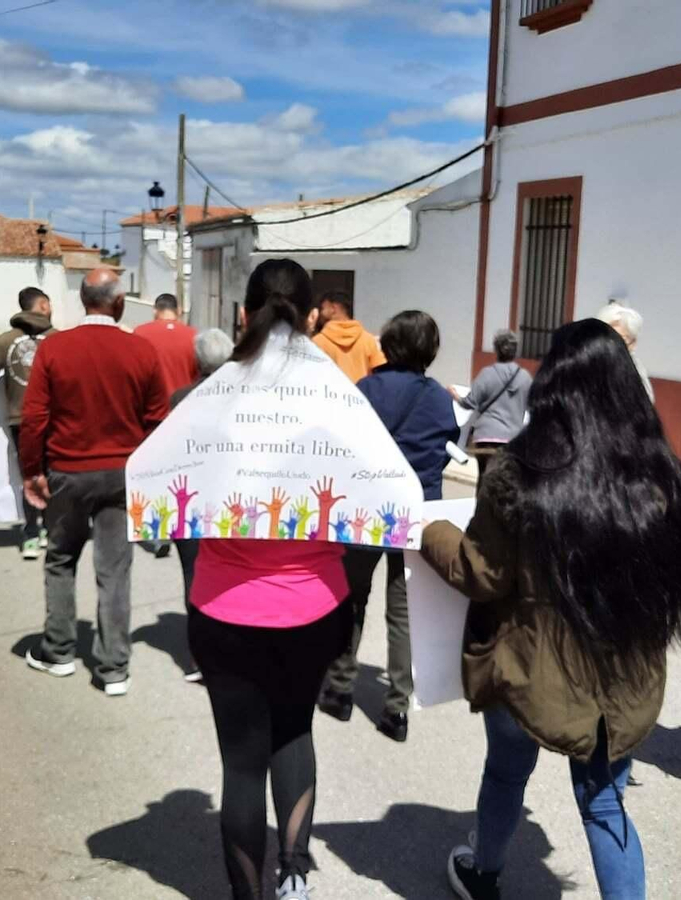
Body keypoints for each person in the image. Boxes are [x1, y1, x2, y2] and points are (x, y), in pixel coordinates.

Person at [419, 319, 681, 900]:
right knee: (604, 802)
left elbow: (481, 572)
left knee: (506, 772)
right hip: (622, 679)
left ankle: (484, 873)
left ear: (554, 383)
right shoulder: (658, 473)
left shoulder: (519, 470)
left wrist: (431, 531)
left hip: (528, 666)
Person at [188, 259, 355, 900]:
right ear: (312, 315)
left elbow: (158, 473)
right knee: (294, 730)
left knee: (239, 760)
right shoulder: (338, 397)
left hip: (223, 606)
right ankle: (294, 877)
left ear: (241, 314)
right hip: (316, 604)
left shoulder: (210, 396)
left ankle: (247, 894)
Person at [19, 268, 168, 697]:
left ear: (83, 301)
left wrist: (32, 471)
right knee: (115, 570)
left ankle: (59, 650)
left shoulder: (55, 348)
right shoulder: (141, 351)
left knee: (61, 559)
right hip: (123, 474)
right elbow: (158, 420)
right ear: (118, 303)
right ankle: (113, 667)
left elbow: (34, 418)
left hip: (67, 471)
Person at [319, 310, 459, 743]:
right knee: (403, 611)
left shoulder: (365, 390)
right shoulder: (439, 398)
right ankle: (398, 708)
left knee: (352, 599)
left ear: (389, 345)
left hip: (364, 510)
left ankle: (339, 690)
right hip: (414, 515)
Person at [0, 287, 54, 560]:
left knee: (28, 475)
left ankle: (29, 534)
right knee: (52, 472)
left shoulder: (6, 340)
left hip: (20, 420)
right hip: (54, 418)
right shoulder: (58, 340)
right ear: (43, 305)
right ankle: (50, 529)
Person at [174, 328, 236, 684]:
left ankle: (202, 659)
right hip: (234, 501)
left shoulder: (180, 399)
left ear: (197, 361)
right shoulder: (245, 398)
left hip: (193, 504)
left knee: (194, 578)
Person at [453, 329, 531, 476]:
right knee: (507, 483)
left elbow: (469, 403)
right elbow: (531, 406)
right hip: (512, 441)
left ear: (496, 349)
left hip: (486, 438)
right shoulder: (525, 378)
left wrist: (455, 395)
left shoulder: (487, 374)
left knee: (485, 482)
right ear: (515, 351)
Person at [135, 293, 201, 399]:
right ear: (179, 310)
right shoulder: (194, 336)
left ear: (155, 311)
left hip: (153, 406)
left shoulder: (140, 333)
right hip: (184, 404)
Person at [312, 290, 385, 382]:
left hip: (330, 394)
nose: (320, 313)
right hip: (362, 394)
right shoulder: (368, 340)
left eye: (322, 308)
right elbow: (380, 372)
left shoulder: (318, 342)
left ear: (333, 308)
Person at [594, 301, 653, 401]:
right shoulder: (588, 362)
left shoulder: (635, 373)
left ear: (633, 343)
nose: (612, 343)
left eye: (622, 339)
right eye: (608, 337)